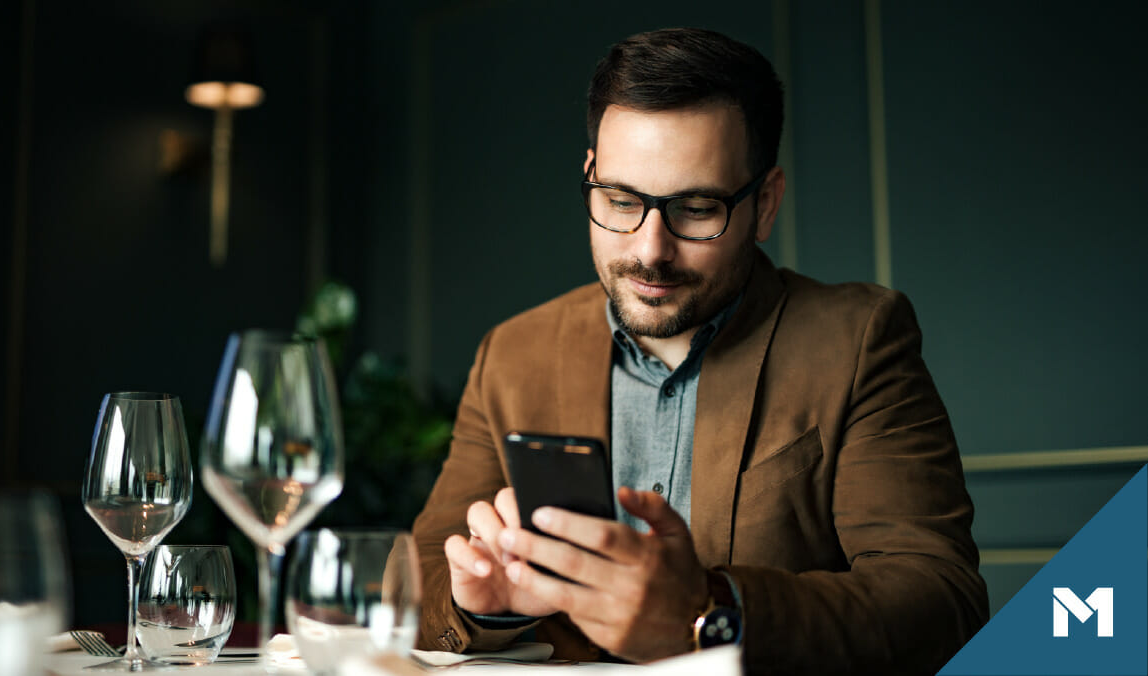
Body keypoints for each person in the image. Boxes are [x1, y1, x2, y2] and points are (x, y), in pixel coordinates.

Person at [410, 27, 987, 675]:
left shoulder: (858, 337)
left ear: (763, 205)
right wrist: (482, 606)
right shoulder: (513, 352)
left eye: (694, 208)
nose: (650, 248)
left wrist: (710, 608)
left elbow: (941, 599)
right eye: (620, 200)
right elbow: (426, 565)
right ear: (589, 180)